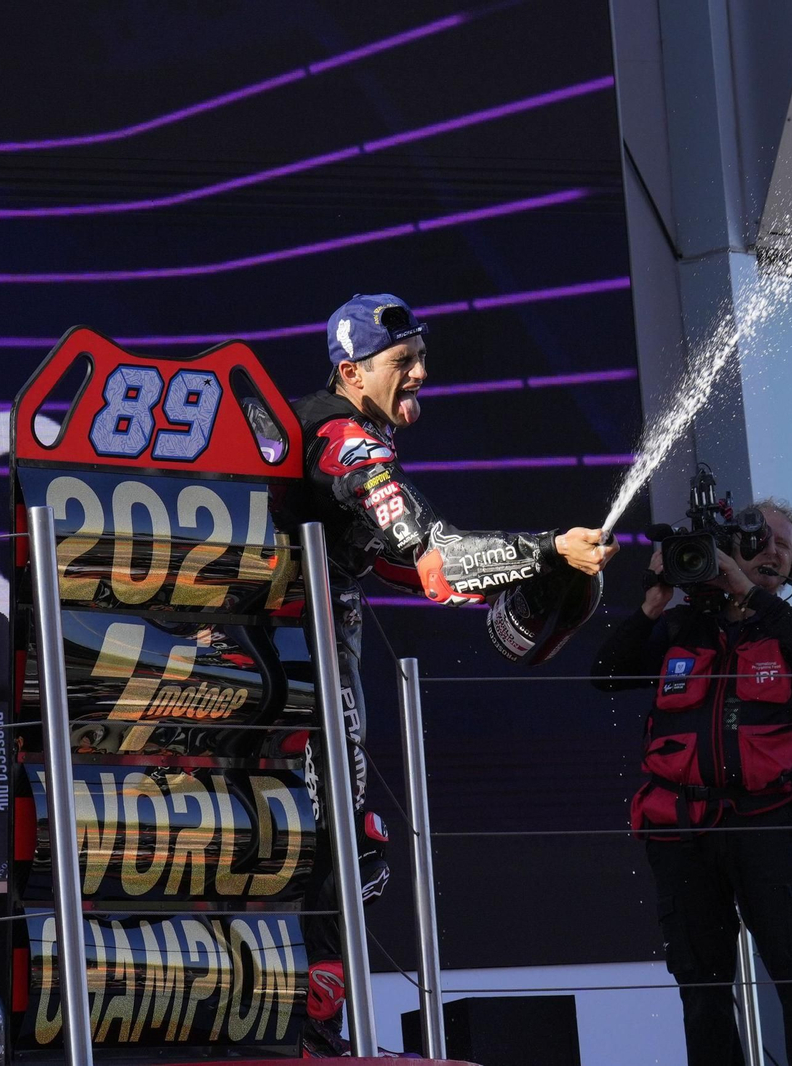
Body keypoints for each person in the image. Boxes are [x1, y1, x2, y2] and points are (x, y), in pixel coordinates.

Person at [291, 292, 617, 1052]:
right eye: (402, 361)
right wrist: (547, 551)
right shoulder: (343, 438)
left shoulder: (348, 433)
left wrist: (527, 571)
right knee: (335, 851)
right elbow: (429, 553)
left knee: (343, 852)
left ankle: (318, 1030)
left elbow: (411, 566)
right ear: (352, 371)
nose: (420, 374)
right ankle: (305, 1033)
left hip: (309, 667)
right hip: (293, 675)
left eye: (421, 359)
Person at [591, 500, 792, 1066]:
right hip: (682, 831)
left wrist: (746, 593)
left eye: (785, 546)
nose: (773, 551)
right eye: (762, 539)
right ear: (731, 546)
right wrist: (653, 604)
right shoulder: (681, 628)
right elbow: (606, 674)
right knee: (701, 988)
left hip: (767, 824)